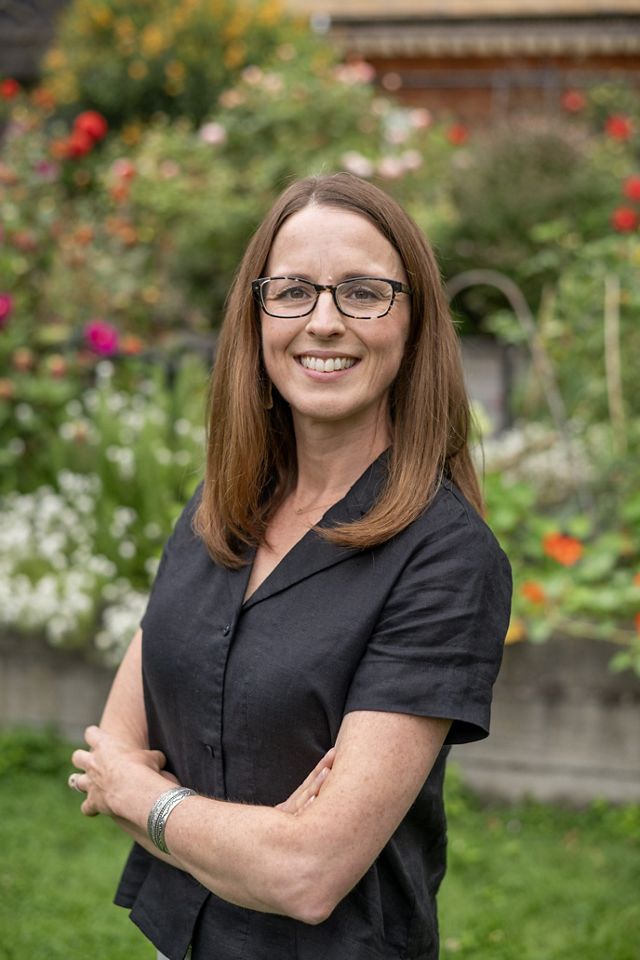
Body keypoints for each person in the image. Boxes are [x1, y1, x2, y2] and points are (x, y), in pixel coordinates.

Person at [69, 172, 512, 960]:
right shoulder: (222, 507)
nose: (324, 321)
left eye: (363, 292)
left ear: (413, 322)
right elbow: (114, 743)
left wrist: (150, 799)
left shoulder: (446, 559)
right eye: (293, 291)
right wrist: (253, 836)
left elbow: (307, 875)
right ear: (257, 315)